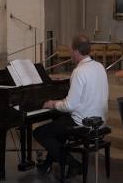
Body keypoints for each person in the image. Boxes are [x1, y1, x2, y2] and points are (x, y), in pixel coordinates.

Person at [33, 34, 109, 177]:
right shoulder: (99, 66)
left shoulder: (79, 71)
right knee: (58, 126)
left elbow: (70, 106)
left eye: (70, 50)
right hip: (100, 119)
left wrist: (52, 103)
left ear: (76, 51)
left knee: (39, 133)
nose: (70, 53)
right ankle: (48, 164)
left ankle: (73, 164)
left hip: (83, 122)